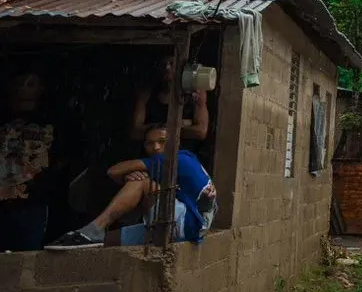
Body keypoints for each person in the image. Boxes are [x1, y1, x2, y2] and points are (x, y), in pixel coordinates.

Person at [47, 126, 215, 248]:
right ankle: (88, 239)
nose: (156, 147)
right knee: (108, 241)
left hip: (187, 226)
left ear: (175, 142)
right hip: (190, 227)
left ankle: (95, 228)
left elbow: (113, 171)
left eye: (162, 142)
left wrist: (131, 178)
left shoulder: (173, 159)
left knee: (140, 182)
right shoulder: (187, 157)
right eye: (149, 143)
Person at [0, 70, 58, 251]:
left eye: (30, 84)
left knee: (28, 256)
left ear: (41, 88)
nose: (23, 88)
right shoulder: (3, 117)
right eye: (20, 83)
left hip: (33, 200)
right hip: (3, 195)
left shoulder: (52, 119)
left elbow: (63, 158)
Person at [131, 55, 211, 144]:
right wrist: (181, 125)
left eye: (172, 64)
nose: (167, 68)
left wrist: (153, 129)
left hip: (183, 153)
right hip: (153, 152)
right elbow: (135, 132)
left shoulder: (196, 93)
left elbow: (200, 132)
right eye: (163, 64)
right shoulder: (146, 93)